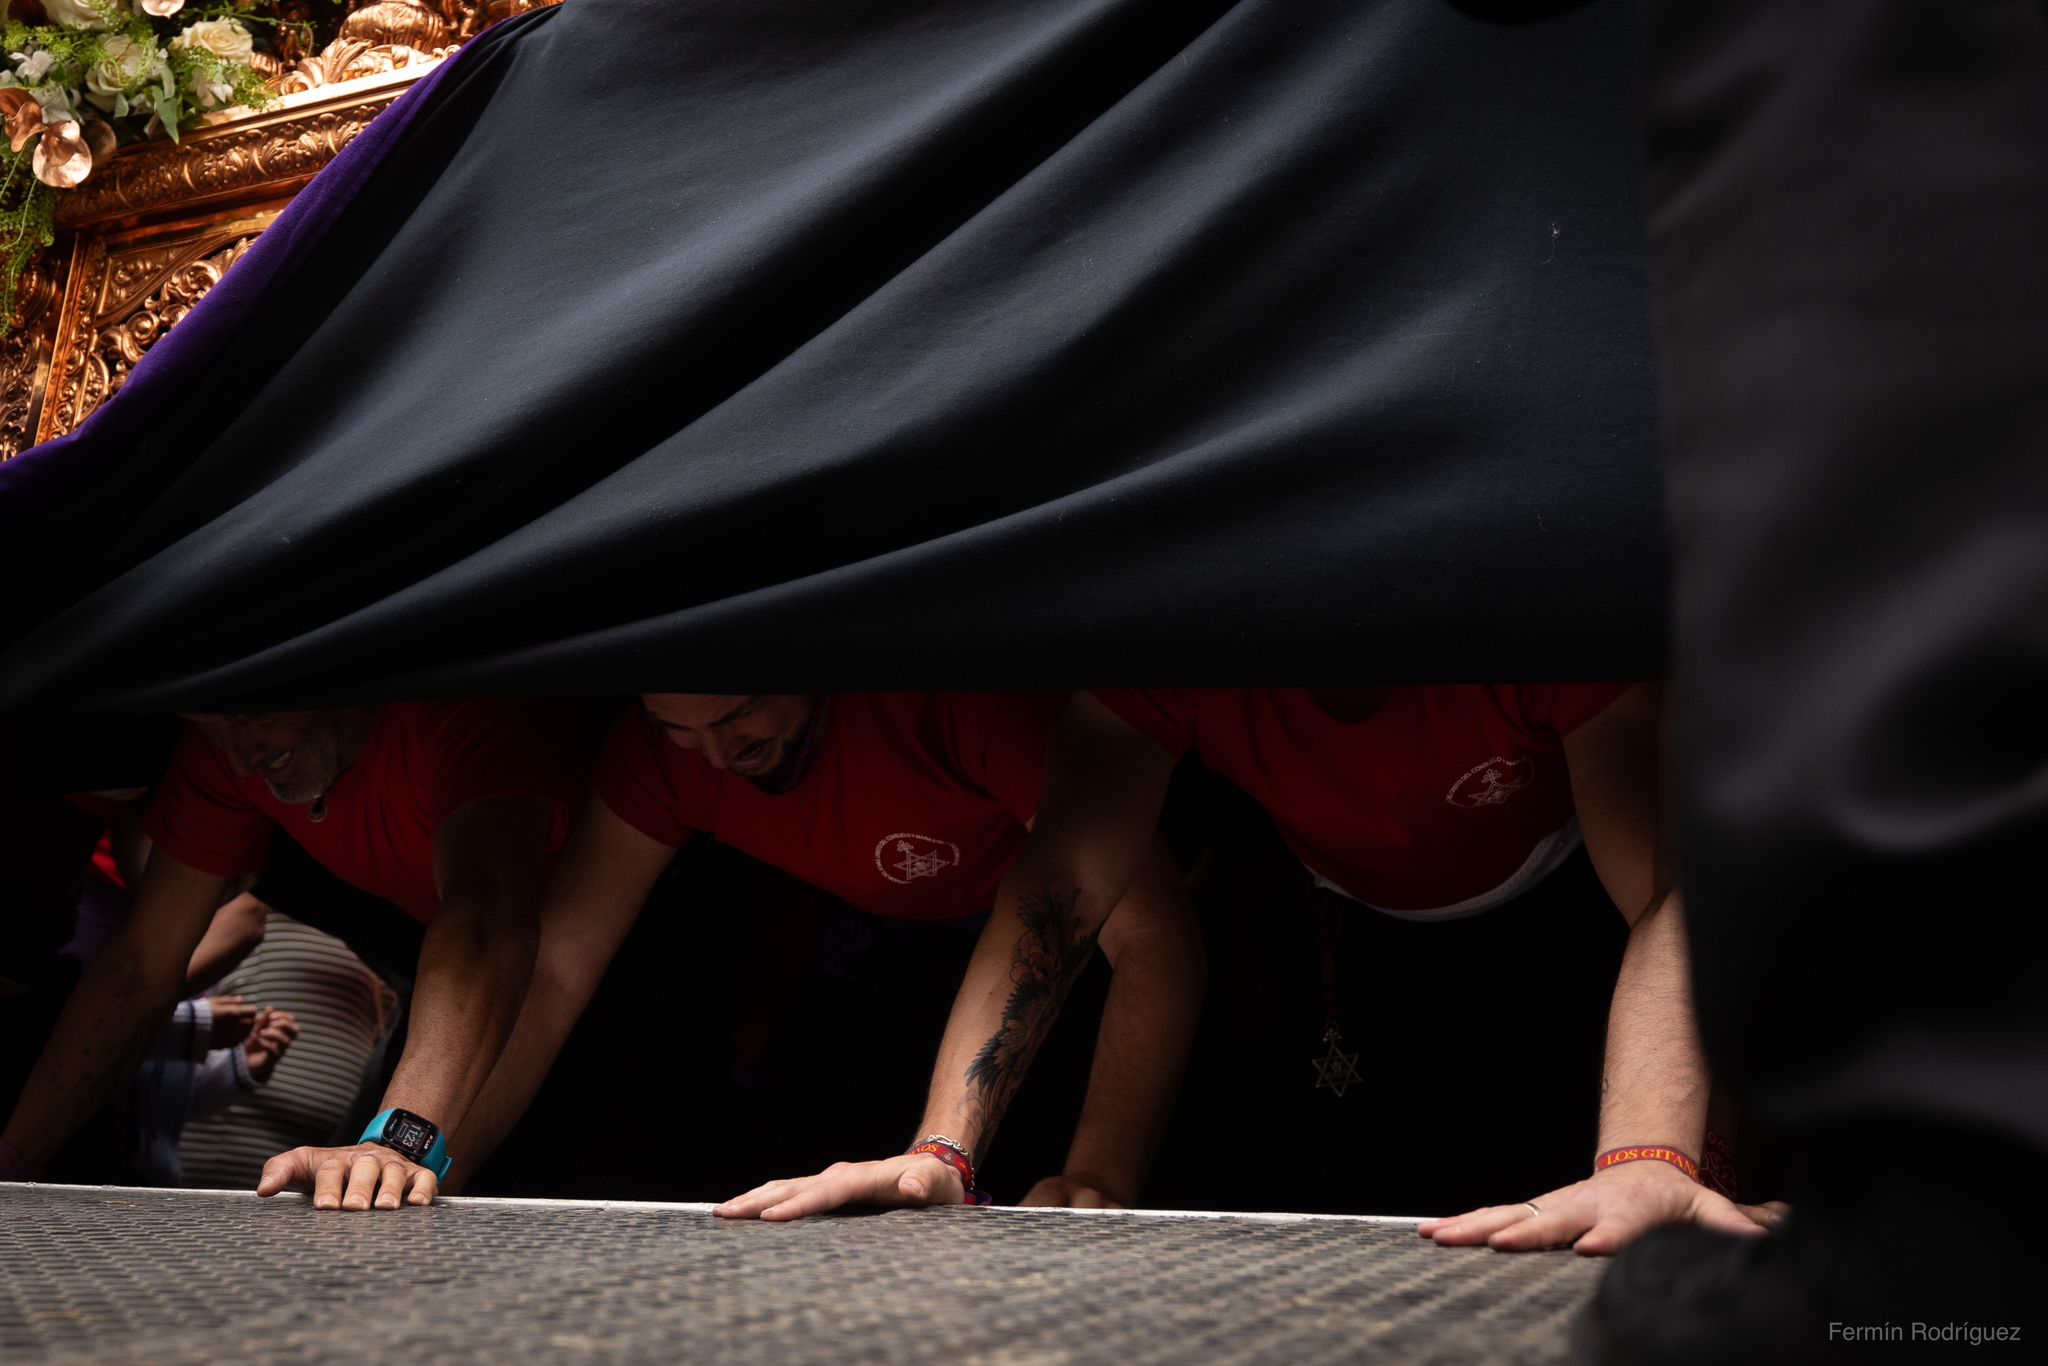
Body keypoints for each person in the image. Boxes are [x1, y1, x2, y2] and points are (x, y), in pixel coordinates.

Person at [719, 685, 1759, 1252]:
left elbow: (1676, 886)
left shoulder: (1540, 625)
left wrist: (1649, 1160)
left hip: (1556, 916)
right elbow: (1060, 887)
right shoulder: (1183, 650)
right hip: (1327, 922)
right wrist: (939, 1151)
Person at [452, 692, 1202, 1208]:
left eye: (740, 712)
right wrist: (424, 1157)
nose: (714, 754)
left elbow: (1149, 935)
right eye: (678, 725)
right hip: (865, 952)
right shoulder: (661, 752)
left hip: (1053, 968)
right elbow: (556, 965)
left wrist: (1098, 1176)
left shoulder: (959, 706)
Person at [0, 700, 585, 1212]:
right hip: (436, 952)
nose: (239, 754)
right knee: (365, 1197)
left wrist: (394, 1144)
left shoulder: (464, 711)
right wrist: (14, 1155)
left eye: (253, 717)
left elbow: (487, 923)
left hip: (570, 959)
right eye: (211, 728)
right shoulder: (224, 752)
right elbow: (140, 968)